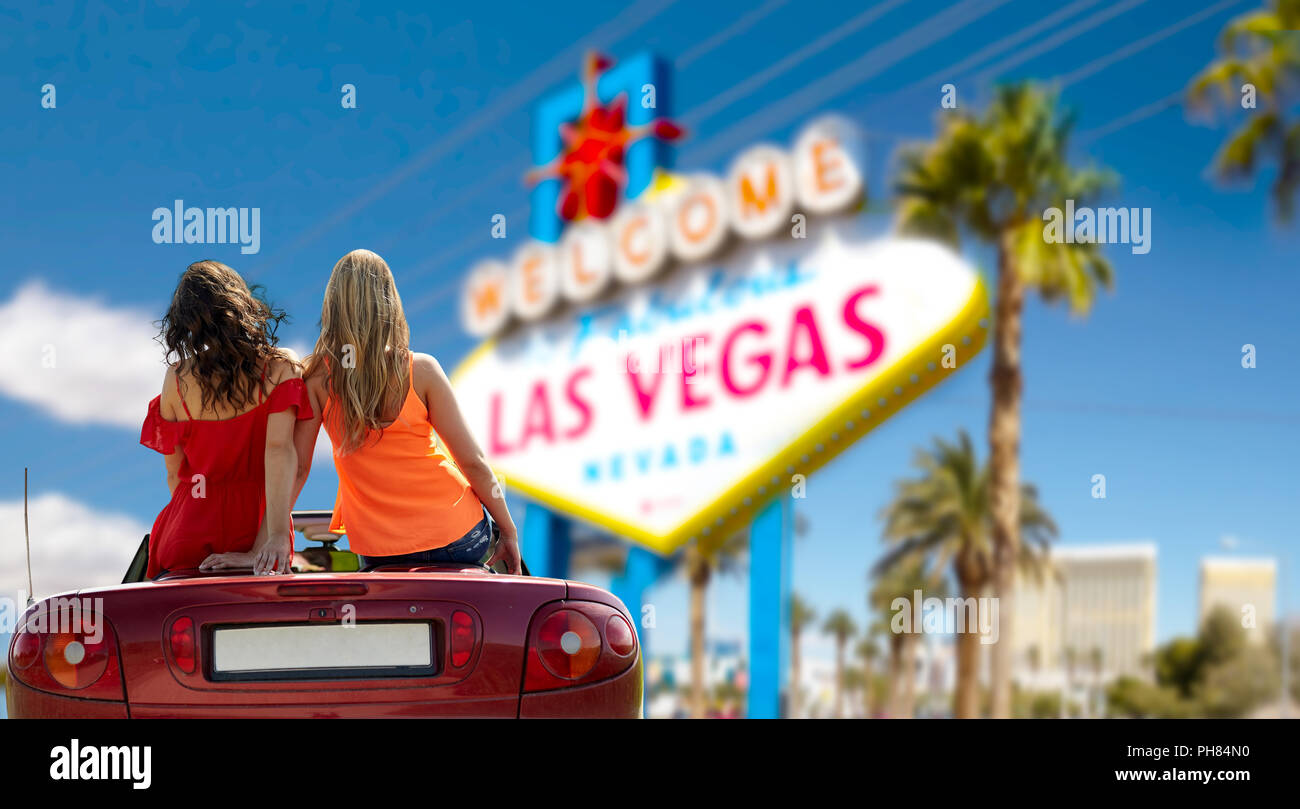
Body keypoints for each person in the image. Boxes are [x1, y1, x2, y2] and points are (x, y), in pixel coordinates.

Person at [293, 249, 522, 573]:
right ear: (389, 303)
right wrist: (508, 530)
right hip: (458, 538)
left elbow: (299, 467)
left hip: (380, 551)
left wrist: (270, 538)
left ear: (333, 307)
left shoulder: (317, 379)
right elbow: (472, 461)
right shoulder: (421, 370)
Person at [140, 260, 312, 577]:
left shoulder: (177, 378)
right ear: (241, 304)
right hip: (256, 527)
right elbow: (279, 451)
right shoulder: (280, 367)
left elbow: (175, 476)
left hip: (187, 530)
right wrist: (272, 538)